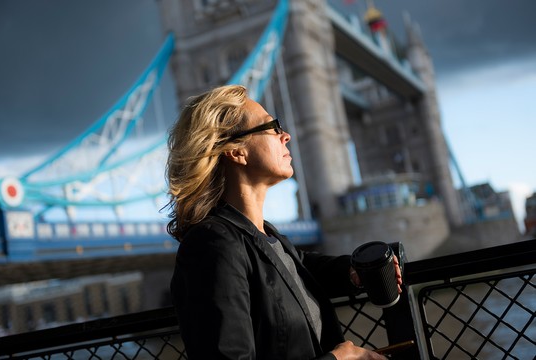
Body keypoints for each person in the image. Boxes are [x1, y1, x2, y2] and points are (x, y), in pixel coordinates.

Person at [165, 85, 402, 359]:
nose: (286, 136)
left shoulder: (265, 235)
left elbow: (300, 271)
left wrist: (355, 271)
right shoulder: (210, 245)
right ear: (236, 152)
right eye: (273, 127)